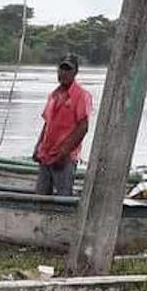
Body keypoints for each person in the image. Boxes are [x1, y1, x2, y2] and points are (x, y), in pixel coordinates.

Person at [32, 53, 92, 196]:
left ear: (75, 72)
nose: (64, 73)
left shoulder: (81, 95)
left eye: (68, 69)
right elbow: (47, 124)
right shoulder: (54, 94)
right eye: (62, 69)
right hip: (46, 155)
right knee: (40, 196)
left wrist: (64, 153)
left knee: (63, 197)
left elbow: (83, 127)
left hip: (64, 158)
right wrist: (37, 147)